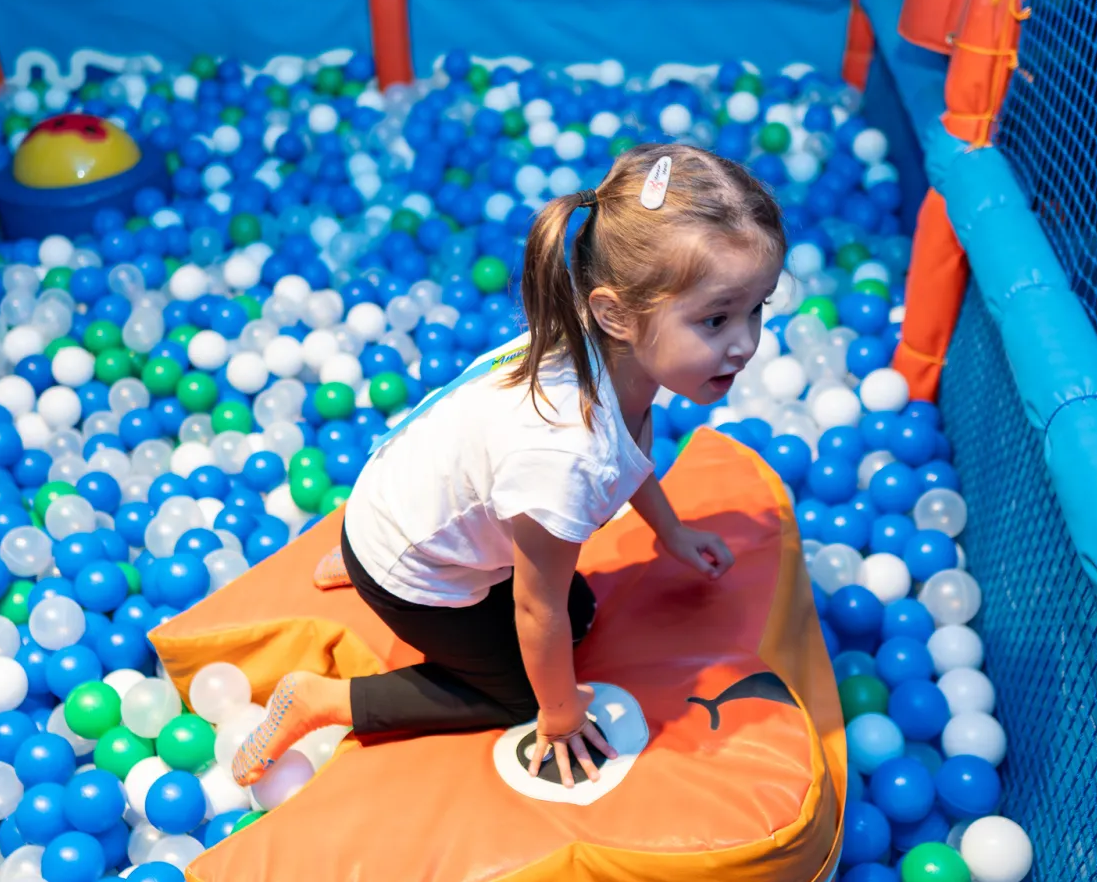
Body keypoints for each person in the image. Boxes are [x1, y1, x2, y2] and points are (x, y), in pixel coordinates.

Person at [233, 143, 787, 789]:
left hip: (396, 503)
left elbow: (629, 454)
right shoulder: (567, 452)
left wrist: (671, 531)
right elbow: (536, 608)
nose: (745, 343)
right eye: (716, 319)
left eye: (757, 309)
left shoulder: (605, 343)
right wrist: (556, 715)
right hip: (410, 556)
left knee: (582, 616)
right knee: (526, 688)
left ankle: (372, 559)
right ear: (617, 312)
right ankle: (323, 696)